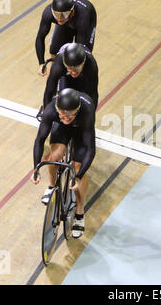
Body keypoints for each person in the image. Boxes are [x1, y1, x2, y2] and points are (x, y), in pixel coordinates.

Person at [31, 88, 96, 239]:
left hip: (81, 129)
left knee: (78, 167)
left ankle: (80, 211)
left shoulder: (86, 113)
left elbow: (90, 150)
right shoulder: (50, 111)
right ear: (57, 109)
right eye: (62, 114)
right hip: (62, 129)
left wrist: (78, 176)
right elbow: (39, 140)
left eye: (70, 115)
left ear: (77, 110)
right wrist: (36, 168)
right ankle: (51, 186)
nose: (66, 118)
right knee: (54, 157)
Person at [35, 0, 97, 76]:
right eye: (56, 14)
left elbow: (81, 51)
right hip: (68, 22)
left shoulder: (82, 17)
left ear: (72, 11)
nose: (59, 18)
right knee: (55, 52)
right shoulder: (49, 13)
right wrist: (41, 63)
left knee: (80, 58)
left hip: (85, 20)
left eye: (63, 14)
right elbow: (40, 37)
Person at [41, 42, 99, 110]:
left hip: (83, 74)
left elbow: (93, 93)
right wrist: (46, 111)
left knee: (83, 98)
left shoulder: (91, 65)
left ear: (83, 63)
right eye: (70, 68)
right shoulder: (59, 65)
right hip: (65, 74)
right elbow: (49, 91)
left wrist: (91, 114)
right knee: (63, 99)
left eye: (76, 68)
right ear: (65, 64)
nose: (74, 72)